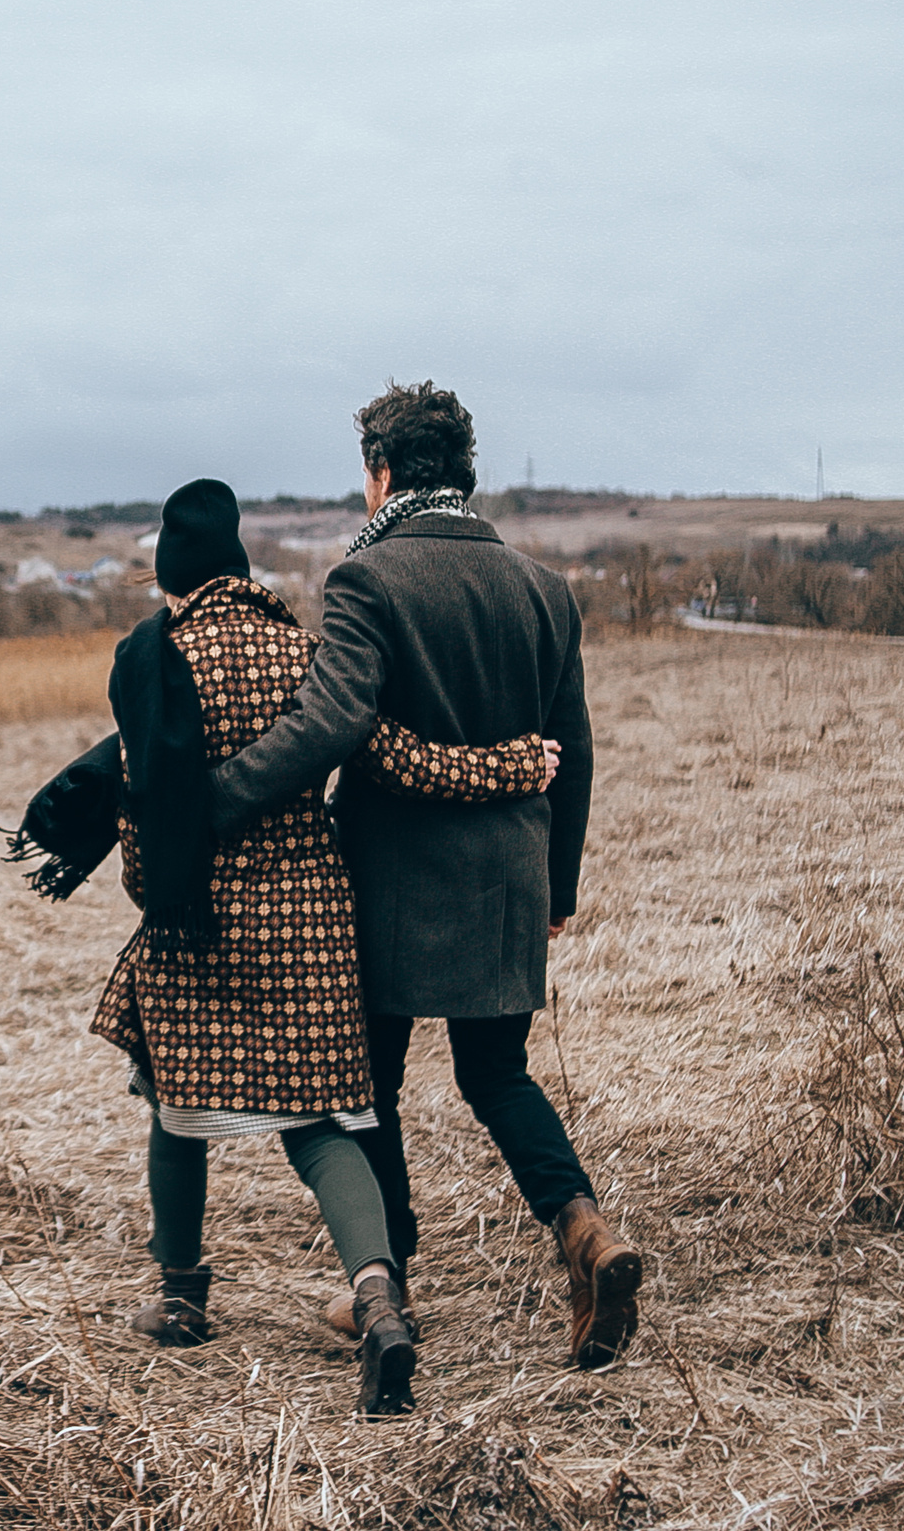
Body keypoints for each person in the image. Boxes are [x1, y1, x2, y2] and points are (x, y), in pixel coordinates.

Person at [2, 477, 553, 1417]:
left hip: (201, 922)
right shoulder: (305, 650)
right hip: (310, 917)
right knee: (319, 1123)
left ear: (172, 578)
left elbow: (144, 814)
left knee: (173, 1103)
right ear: (243, 567)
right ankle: (380, 1302)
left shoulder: (153, 658)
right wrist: (512, 764)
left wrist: (155, 894)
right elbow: (400, 758)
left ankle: (179, 1295)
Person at [207, 382, 642, 1370]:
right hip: (508, 881)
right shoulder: (541, 585)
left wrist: (222, 797)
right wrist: (558, 887)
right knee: (496, 1073)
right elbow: (573, 745)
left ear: (382, 471)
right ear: (464, 471)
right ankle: (586, 1232)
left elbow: (329, 721)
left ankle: (385, 1287)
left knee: (370, 1088)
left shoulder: (366, 579)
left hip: (393, 884)